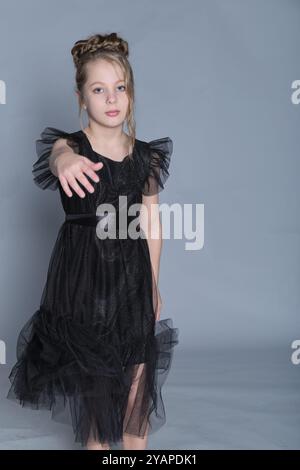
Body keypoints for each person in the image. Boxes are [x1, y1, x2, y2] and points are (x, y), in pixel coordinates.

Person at [7, 32, 179, 451]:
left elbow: (151, 223)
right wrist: (63, 159)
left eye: (120, 88)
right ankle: (96, 445)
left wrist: (154, 284)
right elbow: (56, 154)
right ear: (82, 97)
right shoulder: (72, 146)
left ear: (131, 94)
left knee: (139, 366)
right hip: (84, 275)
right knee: (97, 372)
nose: (111, 98)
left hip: (132, 273)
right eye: (98, 89)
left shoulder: (146, 157)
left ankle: (135, 445)